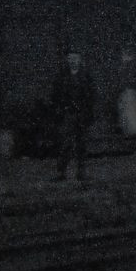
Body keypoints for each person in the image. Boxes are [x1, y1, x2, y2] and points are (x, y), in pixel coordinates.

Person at [49, 48, 97, 181]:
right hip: (68, 114)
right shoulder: (62, 76)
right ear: (67, 60)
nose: (73, 61)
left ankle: (81, 172)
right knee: (66, 144)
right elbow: (55, 95)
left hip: (82, 114)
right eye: (70, 59)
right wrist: (60, 109)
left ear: (80, 60)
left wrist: (88, 112)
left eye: (75, 58)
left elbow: (92, 96)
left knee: (82, 145)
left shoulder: (86, 76)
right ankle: (61, 173)